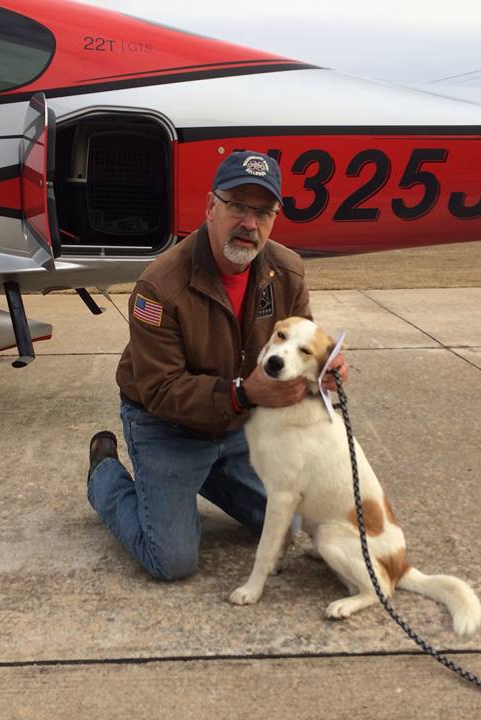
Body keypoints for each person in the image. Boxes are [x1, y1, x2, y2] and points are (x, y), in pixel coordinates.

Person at [87, 150, 347, 580]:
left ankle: (200, 475)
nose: (250, 223)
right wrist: (243, 393)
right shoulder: (160, 285)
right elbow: (160, 390)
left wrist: (324, 368)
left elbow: (303, 343)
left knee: (285, 528)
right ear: (210, 207)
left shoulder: (288, 272)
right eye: (238, 207)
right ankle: (103, 475)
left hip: (235, 424)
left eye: (263, 212)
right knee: (171, 562)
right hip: (167, 426)